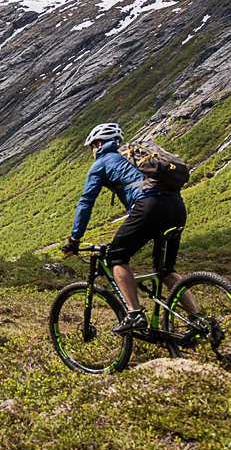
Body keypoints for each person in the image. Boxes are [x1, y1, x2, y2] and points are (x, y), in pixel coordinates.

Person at [61, 122, 195, 333]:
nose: (92, 152)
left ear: (98, 144)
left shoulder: (102, 162)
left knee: (116, 257)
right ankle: (197, 320)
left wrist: (74, 239)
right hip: (176, 207)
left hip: (149, 207)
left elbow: (86, 202)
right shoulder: (133, 157)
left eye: (91, 148)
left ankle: (134, 314)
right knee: (166, 270)